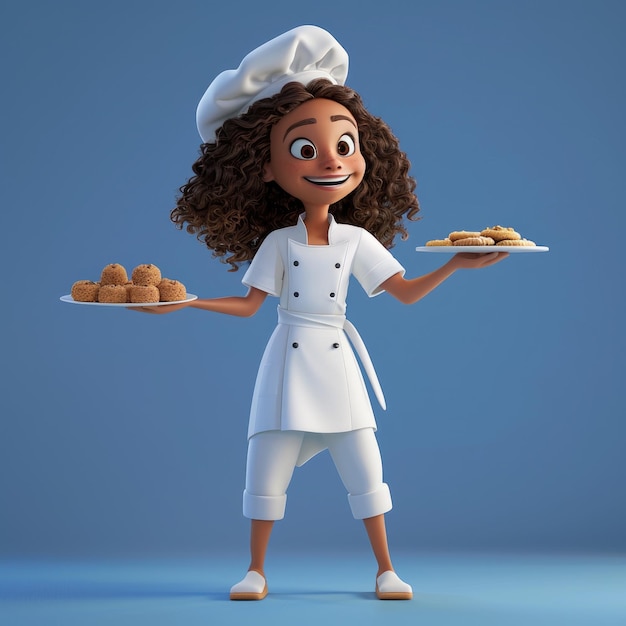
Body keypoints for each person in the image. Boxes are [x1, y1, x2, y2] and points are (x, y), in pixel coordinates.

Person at [139, 25, 507, 600]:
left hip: (338, 367)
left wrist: (456, 265)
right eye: (305, 149)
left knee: (365, 467)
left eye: (345, 143)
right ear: (265, 166)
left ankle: (386, 567)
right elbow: (248, 306)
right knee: (265, 468)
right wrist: (186, 302)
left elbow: (404, 291)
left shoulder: (356, 239)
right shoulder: (278, 244)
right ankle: (256, 569)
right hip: (286, 364)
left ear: (365, 152)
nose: (332, 161)